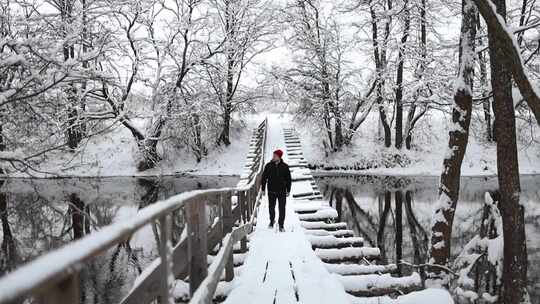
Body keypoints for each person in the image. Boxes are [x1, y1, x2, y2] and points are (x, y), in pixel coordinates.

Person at [261, 149, 292, 232]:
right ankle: (271, 221)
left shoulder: (285, 166)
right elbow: (264, 178)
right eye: (273, 155)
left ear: (279, 157)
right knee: (271, 207)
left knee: (282, 208)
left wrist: (288, 190)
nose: (273, 157)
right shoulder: (268, 166)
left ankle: (281, 225)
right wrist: (263, 189)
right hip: (271, 191)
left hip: (282, 191)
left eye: (275, 156)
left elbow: (288, 179)